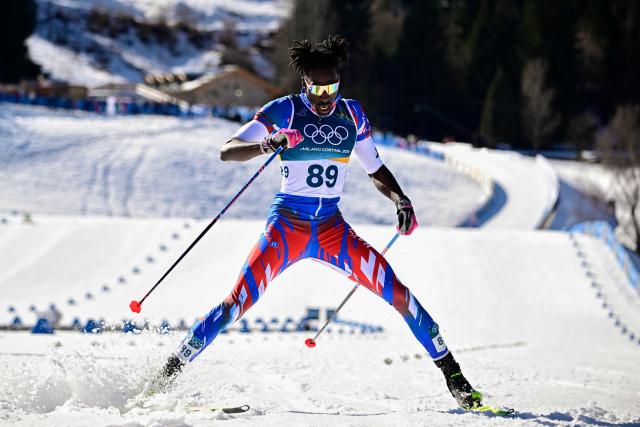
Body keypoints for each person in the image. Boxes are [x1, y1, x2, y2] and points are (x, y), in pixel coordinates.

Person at [155, 35, 482, 410]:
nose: (325, 96)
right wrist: (268, 143)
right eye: (318, 88)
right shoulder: (285, 110)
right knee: (236, 303)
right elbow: (227, 151)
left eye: (332, 86)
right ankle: (166, 375)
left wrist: (400, 199)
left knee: (399, 294)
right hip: (287, 227)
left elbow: (375, 168)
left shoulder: (352, 115)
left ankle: (455, 378)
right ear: (304, 84)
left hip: (331, 229)